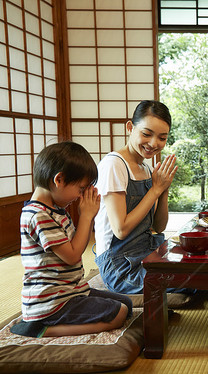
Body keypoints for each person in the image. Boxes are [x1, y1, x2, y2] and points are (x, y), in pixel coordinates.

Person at [12, 141, 132, 338]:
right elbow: (73, 256)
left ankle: (48, 323)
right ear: (59, 179)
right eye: (80, 188)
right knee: (119, 314)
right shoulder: (38, 215)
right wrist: (86, 216)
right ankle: (42, 328)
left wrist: (86, 215)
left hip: (71, 291)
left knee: (125, 303)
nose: (80, 195)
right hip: (50, 301)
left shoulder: (56, 210)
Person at [94, 100, 182, 294]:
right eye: (146, 134)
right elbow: (121, 230)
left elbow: (158, 227)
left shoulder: (146, 168)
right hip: (120, 266)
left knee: (200, 267)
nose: (153, 143)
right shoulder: (114, 165)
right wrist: (155, 190)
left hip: (147, 253)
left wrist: (164, 188)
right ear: (129, 127)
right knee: (193, 280)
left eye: (162, 137)